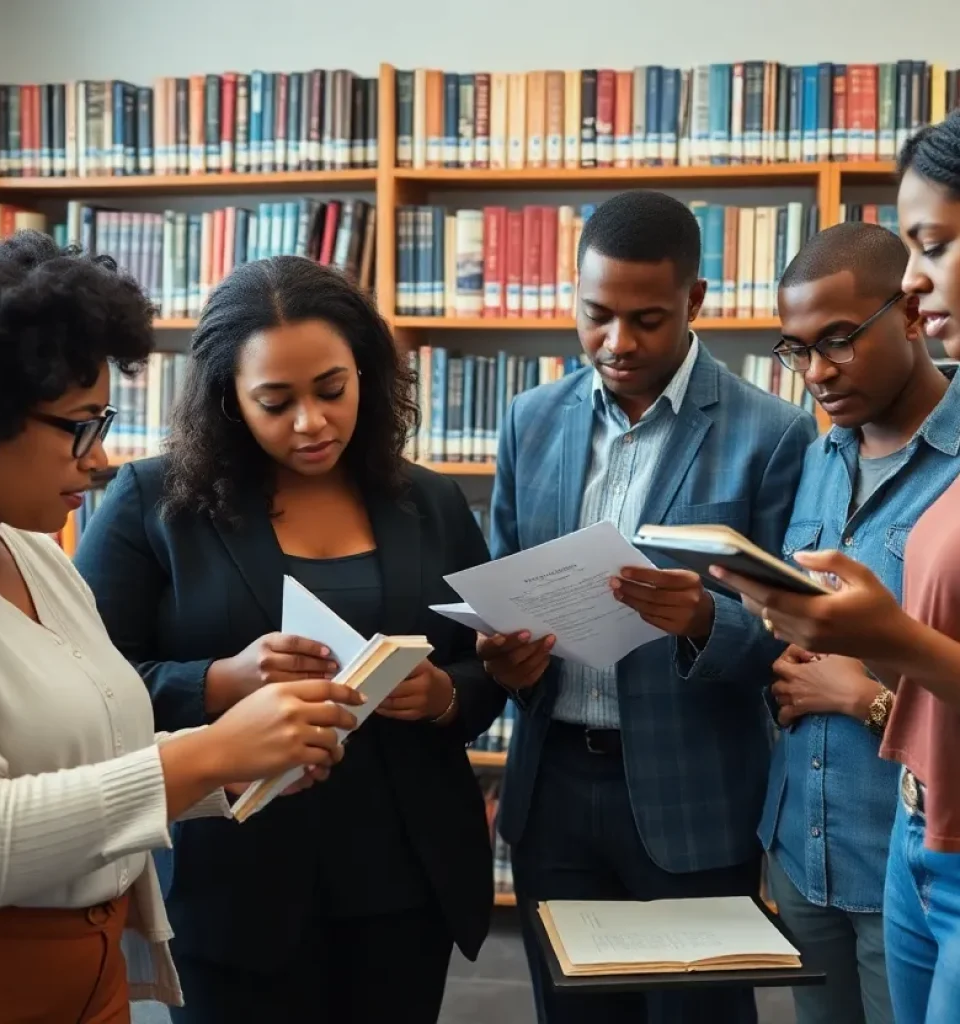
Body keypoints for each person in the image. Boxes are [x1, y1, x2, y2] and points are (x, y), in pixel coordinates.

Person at [0, 232, 364, 1024]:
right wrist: (212, 750)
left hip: (93, 974)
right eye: (79, 426)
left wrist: (224, 771)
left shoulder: (35, 553)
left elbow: (92, 747)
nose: (99, 459)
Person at [74, 255, 503, 1024]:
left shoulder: (431, 501)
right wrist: (218, 681)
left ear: (366, 372)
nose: (311, 422)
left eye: (332, 390)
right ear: (230, 399)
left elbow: (481, 667)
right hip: (232, 886)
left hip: (405, 884)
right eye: (276, 402)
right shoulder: (153, 503)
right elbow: (83, 686)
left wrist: (444, 696)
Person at [477, 189, 815, 1024]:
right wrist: (506, 657)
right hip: (554, 786)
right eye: (596, 315)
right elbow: (502, 580)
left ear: (694, 301)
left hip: (694, 794)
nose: (617, 342)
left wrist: (704, 621)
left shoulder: (772, 434)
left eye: (647, 319)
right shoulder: (529, 420)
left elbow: (797, 637)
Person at [706, 109, 960, 1024]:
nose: (815, 371)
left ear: (910, 312)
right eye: (797, 349)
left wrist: (868, 695)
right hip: (802, 848)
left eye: (840, 338)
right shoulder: (813, 456)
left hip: (911, 843)